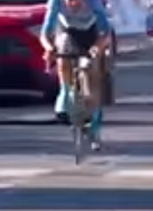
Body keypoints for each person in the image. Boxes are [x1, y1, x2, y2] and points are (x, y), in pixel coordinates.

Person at [40, 0, 111, 150]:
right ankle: (65, 91)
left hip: (91, 34)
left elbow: (105, 34)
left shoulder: (94, 3)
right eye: (70, 2)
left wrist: (96, 49)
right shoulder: (56, 3)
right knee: (63, 51)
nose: (74, 4)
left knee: (92, 74)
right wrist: (49, 49)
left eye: (77, 1)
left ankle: (94, 126)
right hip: (66, 32)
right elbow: (45, 34)